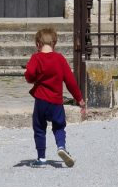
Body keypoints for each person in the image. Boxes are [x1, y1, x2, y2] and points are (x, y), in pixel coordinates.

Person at [24, 27, 86, 167]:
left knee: (39, 128)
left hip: (40, 101)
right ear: (54, 44)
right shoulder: (60, 59)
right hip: (56, 102)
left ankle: (41, 158)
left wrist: (31, 74)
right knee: (59, 127)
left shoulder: (36, 58)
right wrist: (79, 98)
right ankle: (61, 147)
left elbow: (29, 76)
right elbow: (70, 82)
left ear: (37, 44)